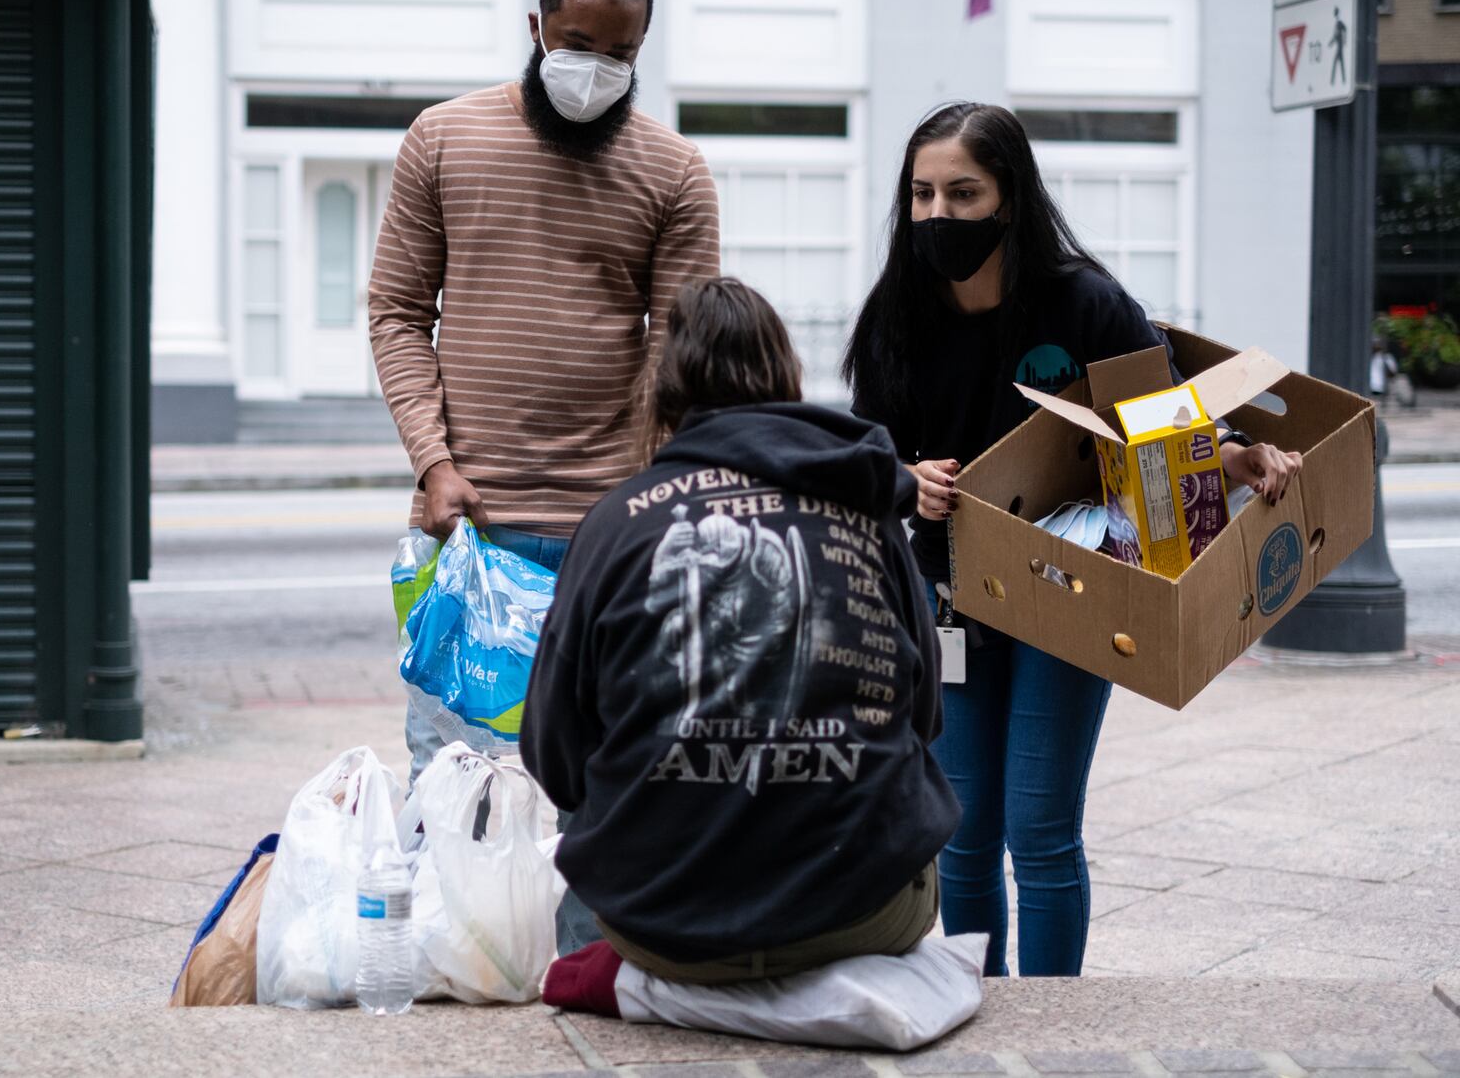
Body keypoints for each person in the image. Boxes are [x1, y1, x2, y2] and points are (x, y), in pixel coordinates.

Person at [843, 102, 1302, 977]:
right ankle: (977, 1011)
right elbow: (870, 456)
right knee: (965, 836)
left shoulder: (1083, 303)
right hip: (951, 600)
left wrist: (1239, 455)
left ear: (1009, 199)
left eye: (962, 193)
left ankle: (1056, 1029)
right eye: (922, 195)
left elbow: (1166, 422)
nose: (939, 215)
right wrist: (913, 481)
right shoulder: (894, 319)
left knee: (1041, 830)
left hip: (1073, 592)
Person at [521, 277, 962, 984]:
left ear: (661, 392)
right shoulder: (863, 507)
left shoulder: (615, 524)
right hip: (861, 914)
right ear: (787, 376)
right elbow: (922, 717)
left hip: (665, 925)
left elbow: (555, 757)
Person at [368, 0, 720, 792]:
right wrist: (434, 463)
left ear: (643, 48)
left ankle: (582, 936)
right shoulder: (443, 139)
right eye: (575, 44)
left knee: (603, 791)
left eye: (619, 54)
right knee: (454, 786)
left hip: (612, 534)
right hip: (471, 524)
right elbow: (398, 313)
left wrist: (655, 500)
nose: (594, 68)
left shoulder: (674, 172)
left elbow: (685, 358)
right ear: (536, 25)